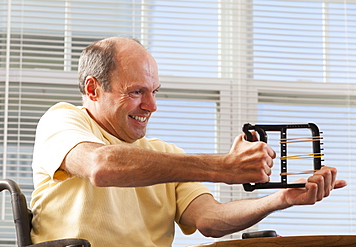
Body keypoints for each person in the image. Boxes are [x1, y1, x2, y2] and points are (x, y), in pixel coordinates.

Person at [30, 36, 346, 247]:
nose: (151, 106)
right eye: (137, 92)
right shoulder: (63, 121)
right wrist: (225, 167)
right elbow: (102, 166)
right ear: (93, 89)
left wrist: (281, 200)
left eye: (154, 91)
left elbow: (210, 219)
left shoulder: (166, 156)